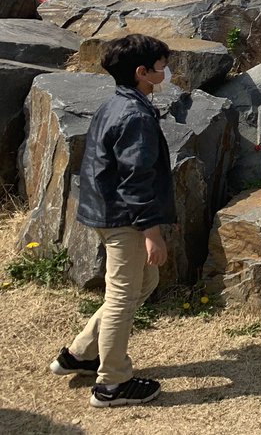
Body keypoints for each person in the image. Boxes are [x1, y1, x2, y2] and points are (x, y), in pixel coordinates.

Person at [51, 34, 175, 408]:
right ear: (142, 73)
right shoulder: (135, 116)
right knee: (122, 296)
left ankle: (81, 353)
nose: (166, 72)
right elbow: (135, 180)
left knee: (144, 281)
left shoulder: (118, 102)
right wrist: (151, 232)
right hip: (124, 218)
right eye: (160, 67)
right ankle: (113, 383)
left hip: (107, 211)